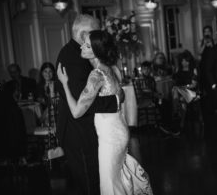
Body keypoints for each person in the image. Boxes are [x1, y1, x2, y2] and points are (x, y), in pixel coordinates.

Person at [57, 30, 153, 194]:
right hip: (121, 131)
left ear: (95, 52)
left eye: (87, 46)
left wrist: (64, 83)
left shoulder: (96, 75)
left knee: (109, 184)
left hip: (110, 137)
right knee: (118, 180)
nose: (82, 47)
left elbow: (76, 112)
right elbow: (120, 97)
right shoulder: (114, 69)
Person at [55, 14, 121, 195]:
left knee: (101, 180)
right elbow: (79, 105)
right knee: (90, 182)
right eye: (95, 33)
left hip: (93, 130)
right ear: (85, 34)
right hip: (78, 132)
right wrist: (115, 101)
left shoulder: (82, 54)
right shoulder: (72, 57)